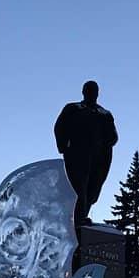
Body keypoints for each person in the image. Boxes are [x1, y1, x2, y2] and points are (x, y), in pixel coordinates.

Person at [54, 80, 118, 226]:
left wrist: (105, 143)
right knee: (78, 189)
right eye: (89, 90)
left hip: (99, 159)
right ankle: (76, 220)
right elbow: (59, 127)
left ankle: (82, 217)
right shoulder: (73, 108)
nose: (92, 93)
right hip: (78, 156)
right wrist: (64, 147)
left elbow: (113, 136)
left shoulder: (105, 114)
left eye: (95, 90)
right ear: (83, 92)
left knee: (92, 191)